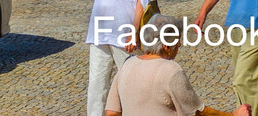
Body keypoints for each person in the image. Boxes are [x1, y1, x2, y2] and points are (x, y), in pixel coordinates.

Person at [104, 14, 248, 116]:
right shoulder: (171, 71)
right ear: (166, 46)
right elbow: (197, 112)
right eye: (177, 41)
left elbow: (112, 111)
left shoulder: (127, 64)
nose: (179, 44)